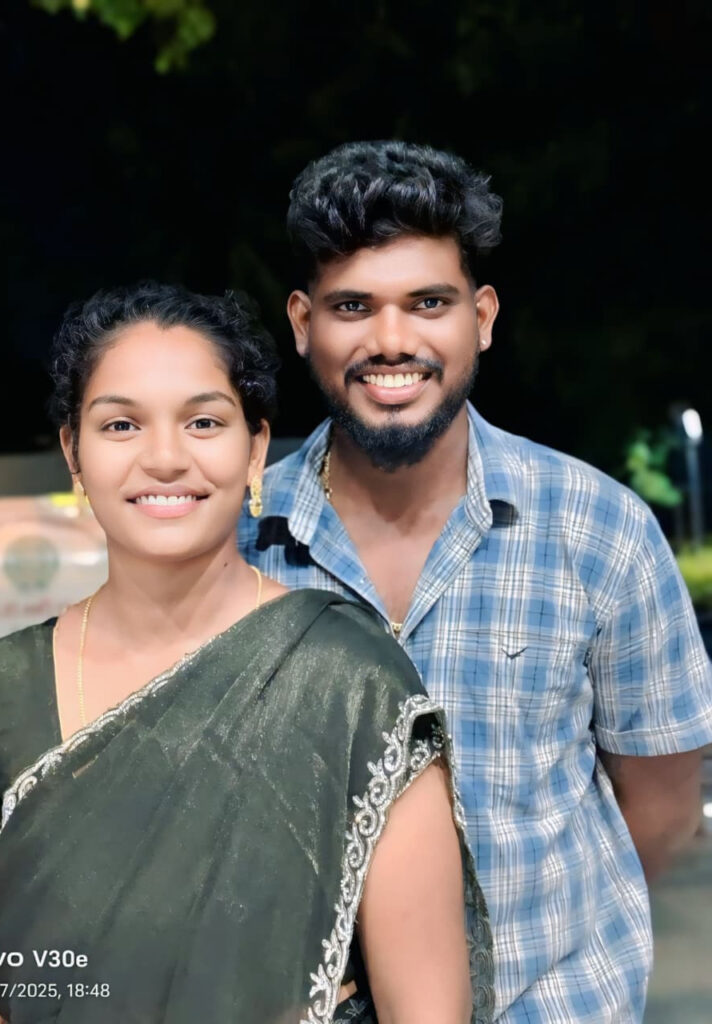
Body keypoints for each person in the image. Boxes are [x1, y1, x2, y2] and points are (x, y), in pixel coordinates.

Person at [237, 140, 712, 1022]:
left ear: (482, 318)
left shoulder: (598, 531)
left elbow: (663, 807)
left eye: (429, 303)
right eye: (353, 306)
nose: (392, 341)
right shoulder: (235, 541)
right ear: (302, 323)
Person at [0, 282, 493, 1024]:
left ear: (255, 448)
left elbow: (427, 1010)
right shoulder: (0, 691)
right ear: (74, 452)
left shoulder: (349, 680)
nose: (165, 458)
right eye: (121, 425)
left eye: (203, 422)